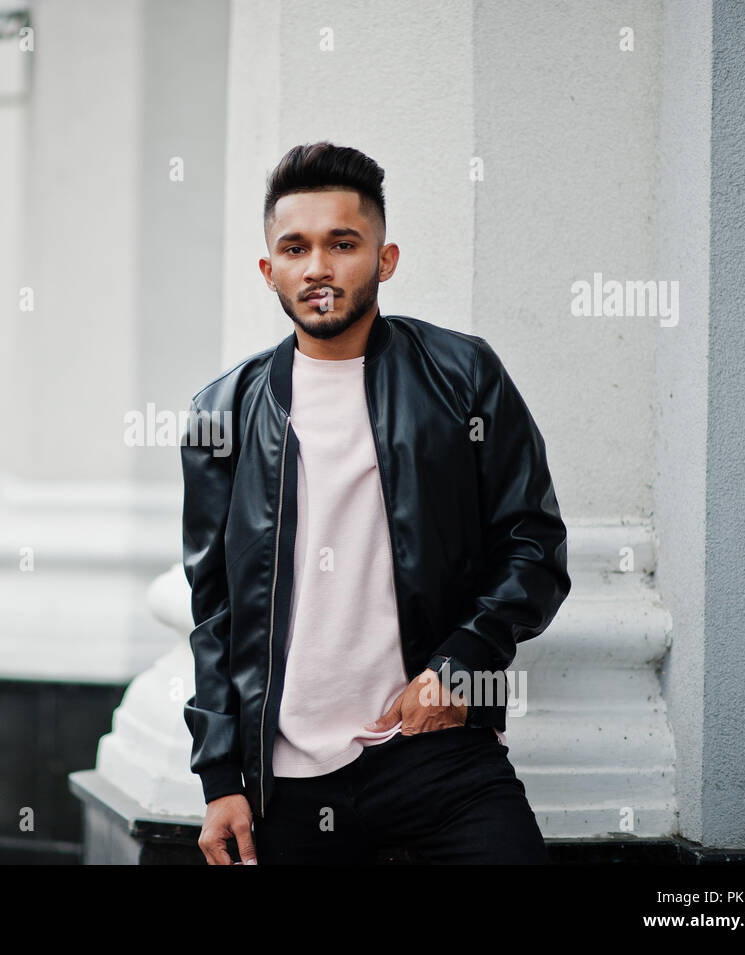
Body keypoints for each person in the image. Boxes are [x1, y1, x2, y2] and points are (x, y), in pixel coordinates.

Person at [180, 142, 571, 865]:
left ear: (385, 259)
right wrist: (219, 776)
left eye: (343, 243)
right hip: (286, 784)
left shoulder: (462, 375)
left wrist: (458, 666)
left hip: (437, 755)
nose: (319, 267)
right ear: (270, 271)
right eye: (295, 248)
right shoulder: (221, 415)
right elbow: (214, 609)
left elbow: (534, 544)